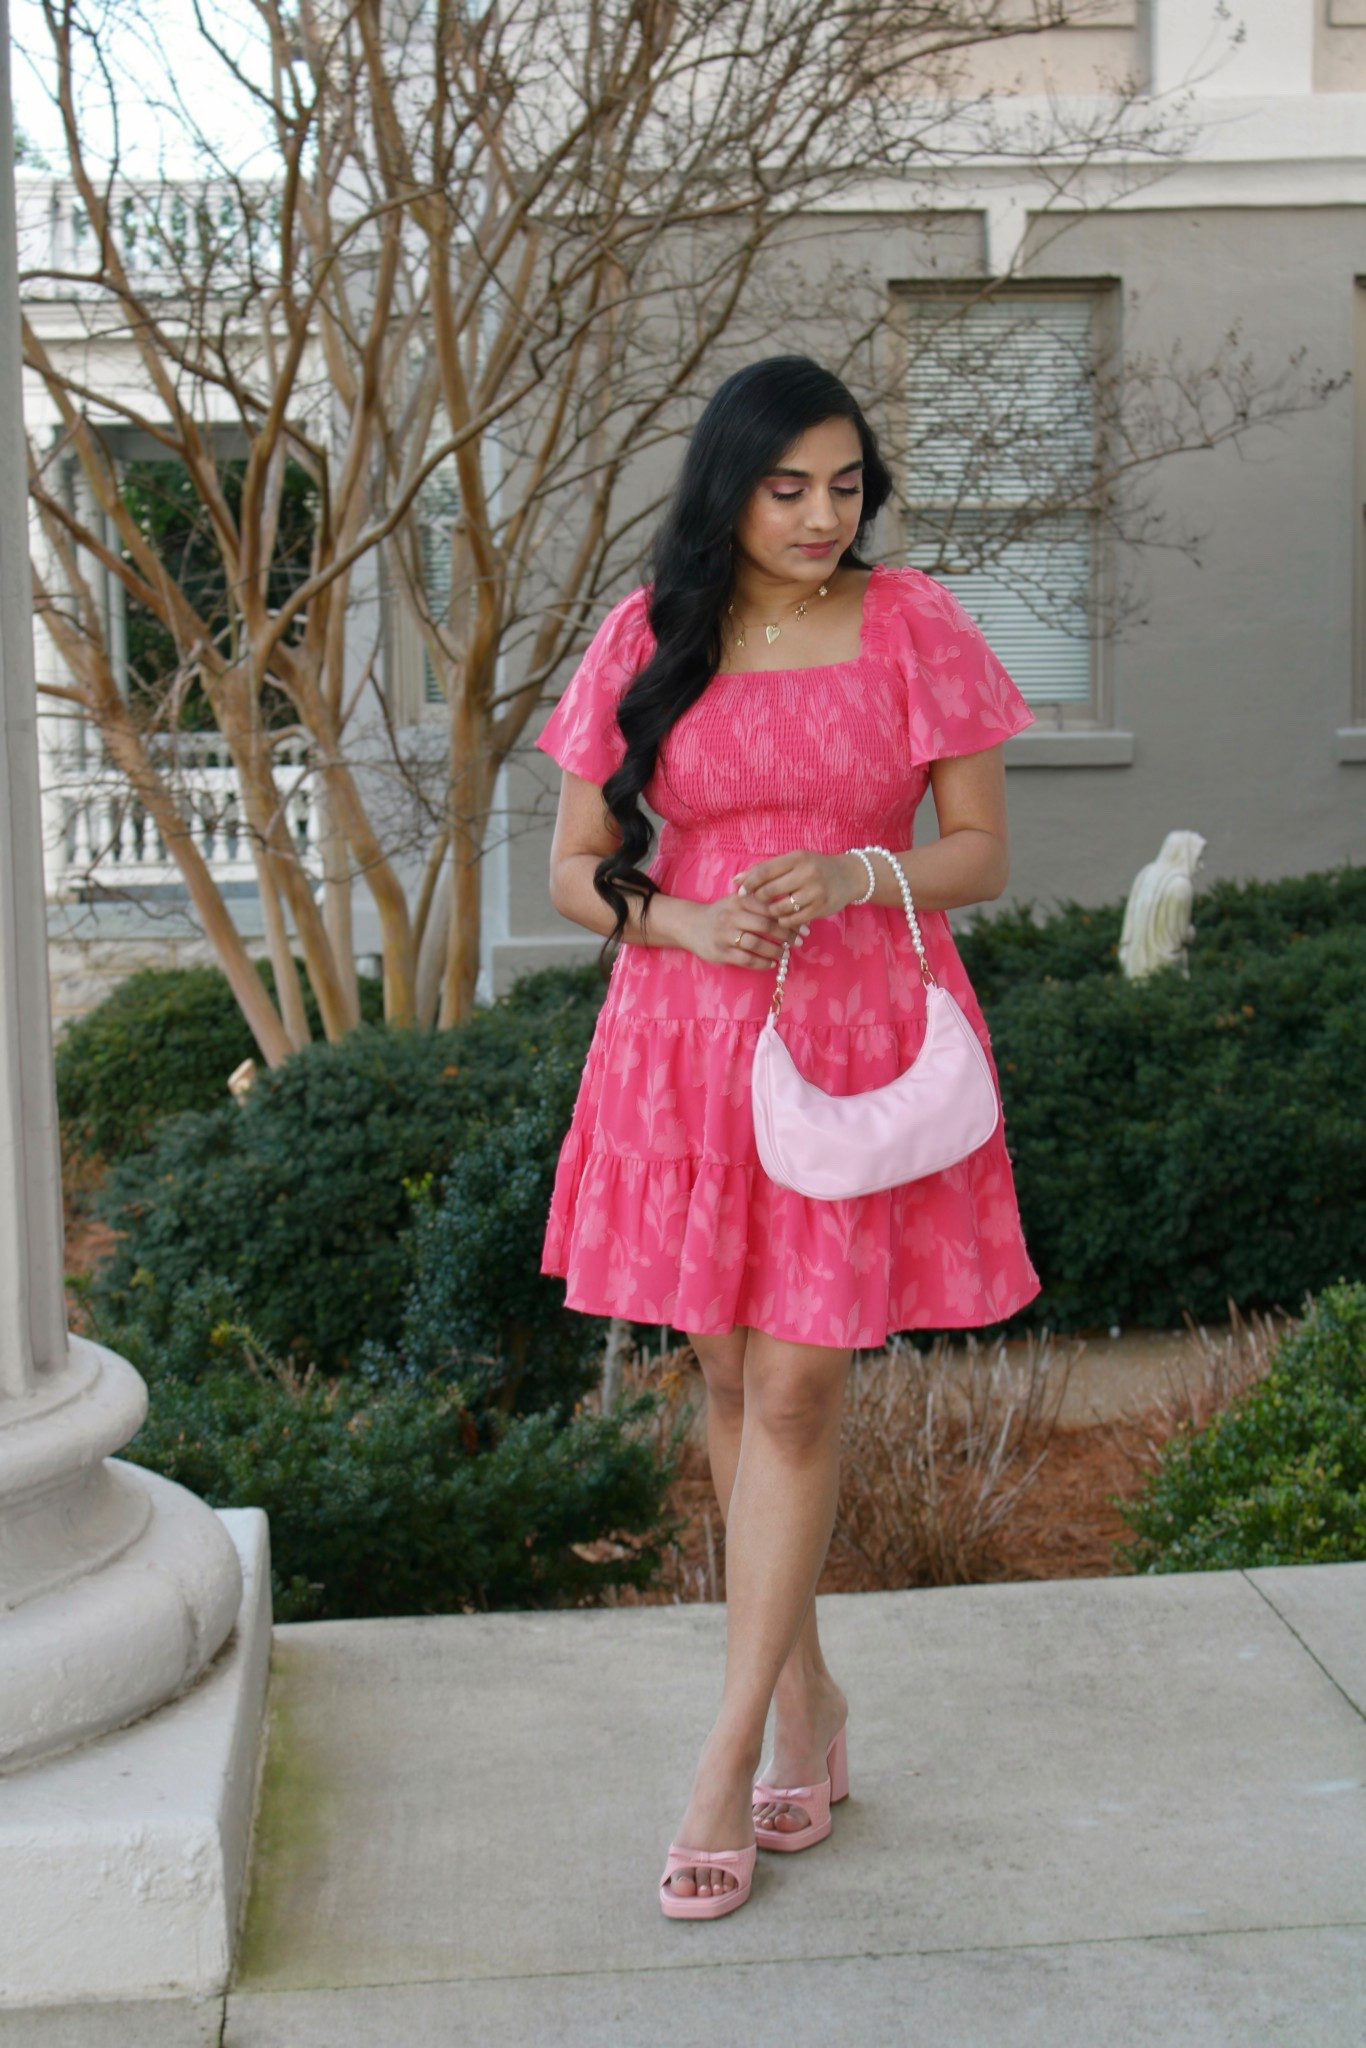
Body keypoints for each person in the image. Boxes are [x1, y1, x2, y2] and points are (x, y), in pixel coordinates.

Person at [534, 355, 1042, 1921]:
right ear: (728, 488)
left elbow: (979, 853)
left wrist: (849, 877)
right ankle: (809, 1704)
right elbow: (573, 867)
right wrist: (683, 920)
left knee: (802, 1384)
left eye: (844, 485)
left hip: (855, 1033)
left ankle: (728, 1754)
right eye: (785, 487)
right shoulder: (647, 632)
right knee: (731, 1376)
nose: (821, 516)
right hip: (686, 1039)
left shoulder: (914, 624)